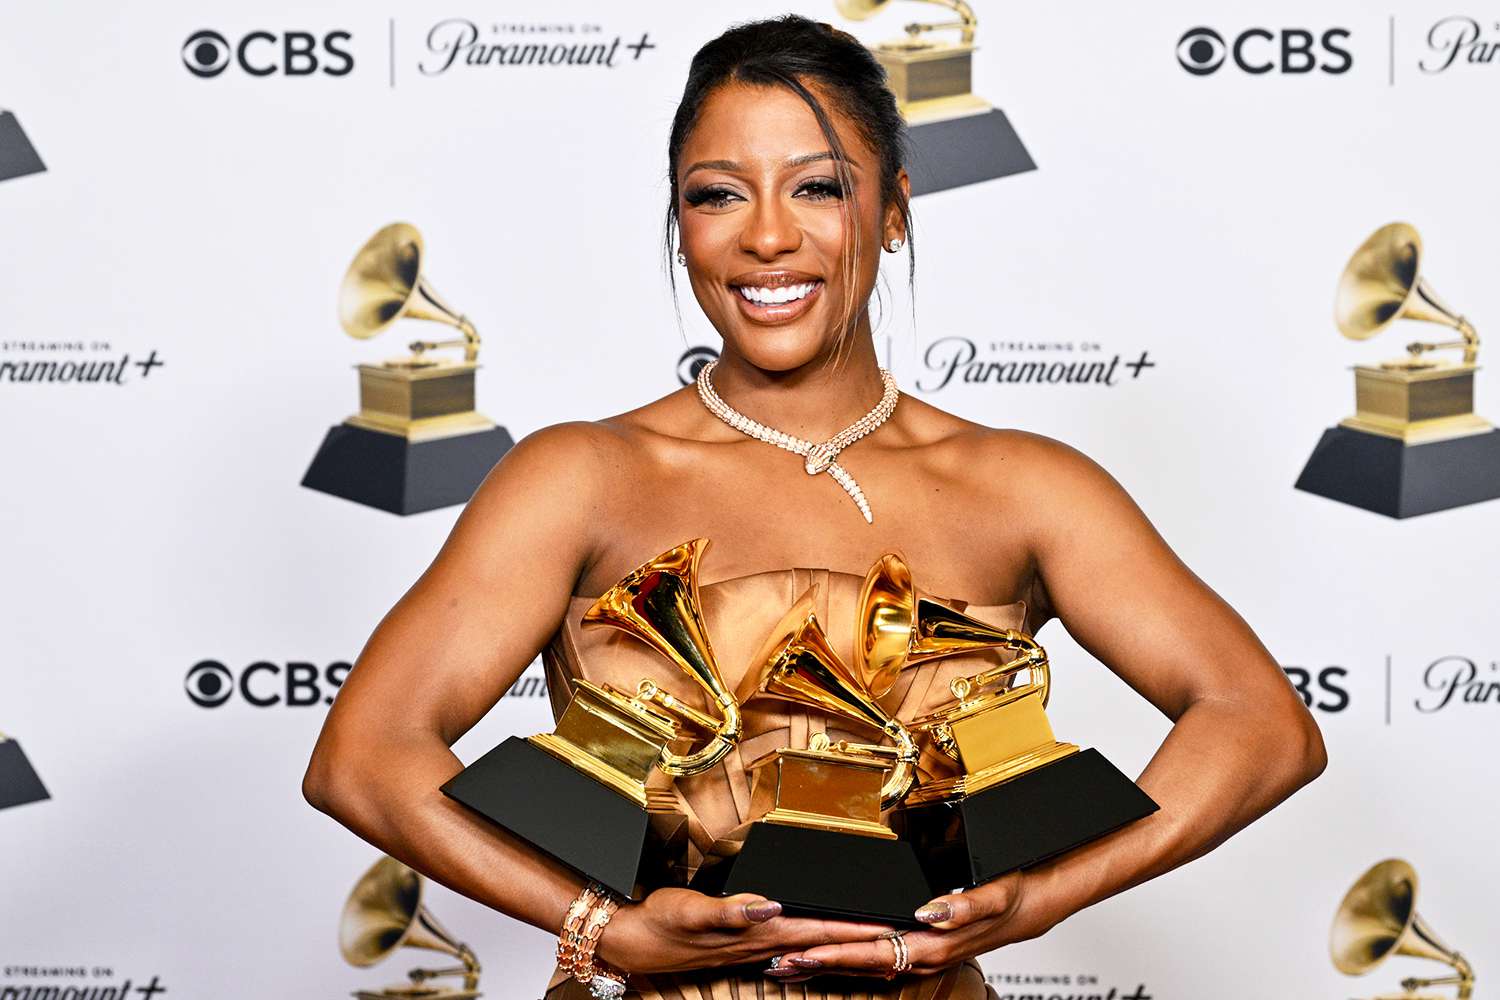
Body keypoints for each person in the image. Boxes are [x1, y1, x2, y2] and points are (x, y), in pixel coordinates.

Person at [302, 14, 1326, 1000]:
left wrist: (1041, 899)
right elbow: (366, 754)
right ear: (678, 223)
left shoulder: (1023, 486)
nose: (769, 237)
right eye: (717, 195)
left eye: (819, 188)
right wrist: (601, 926)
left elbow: (1260, 726)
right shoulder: (578, 476)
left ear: (892, 211)